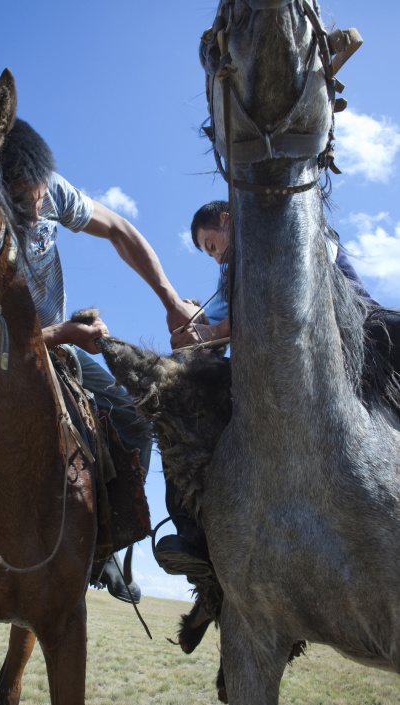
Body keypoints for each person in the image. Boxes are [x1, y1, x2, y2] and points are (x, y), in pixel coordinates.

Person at [0, 119, 198, 618]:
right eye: (22, 198)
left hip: (55, 341)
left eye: (38, 194)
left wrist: (168, 299)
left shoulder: (52, 193)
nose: (35, 207)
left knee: (133, 419)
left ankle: (104, 548)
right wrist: (58, 334)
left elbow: (120, 231)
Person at [155, 200, 400, 582]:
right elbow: (209, 324)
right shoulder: (227, 278)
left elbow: (281, 294)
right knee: (185, 407)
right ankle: (194, 538)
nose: (216, 258)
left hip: (362, 329)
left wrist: (208, 331)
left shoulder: (296, 228)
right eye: (209, 253)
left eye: (212, 245)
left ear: (225, 220)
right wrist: (191, 318)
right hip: (270, 356)